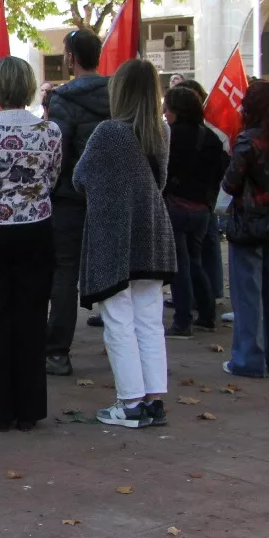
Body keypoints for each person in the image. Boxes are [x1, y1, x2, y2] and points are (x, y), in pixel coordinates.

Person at [74, 59, 176, 428]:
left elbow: (80, 177)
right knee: (149, 319)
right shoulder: (160, 131)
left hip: (115, 236)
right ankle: (153, 399)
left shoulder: (108, 133)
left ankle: (130, 403)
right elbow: (160, 181)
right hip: (153, 231)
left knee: (118, 318)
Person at [0, 57, 62, 431]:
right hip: (34, 228)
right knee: (32, 317)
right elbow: (52, 177)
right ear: (30, 87)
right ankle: (29, 409)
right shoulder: (50, 132)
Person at [219, 81, 269, 378]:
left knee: (247, 294)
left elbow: (231, 183)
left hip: (248, 224)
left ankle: (248, 359)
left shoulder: (247, 141)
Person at [43, 29, 110, 376]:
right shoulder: (117, 93)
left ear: (71, 58)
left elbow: (57, 151)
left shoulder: (62, 99)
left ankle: (57, 352)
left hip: (70, 196)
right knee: (115, 274)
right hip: (111, 195)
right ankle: (123, 351)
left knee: (64, 274)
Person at [162, 86, 228, 337]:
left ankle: (182, 321)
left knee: (179, 265)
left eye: (167, 109)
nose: (165, 113)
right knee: (195, 260)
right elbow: (222, 168)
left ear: (176, 110)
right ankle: (207, 315)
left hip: (176, 206)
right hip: (202, 209)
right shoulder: (209, 136)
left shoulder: (170, 136)